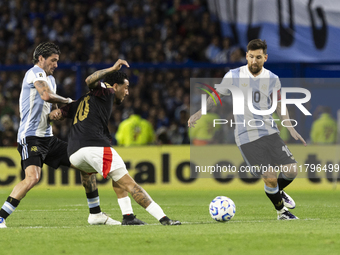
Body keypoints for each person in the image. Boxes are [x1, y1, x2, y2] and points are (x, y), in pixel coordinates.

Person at [0, 42, 142, 229]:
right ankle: (1, 217)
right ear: (41, 59)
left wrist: (59, 113)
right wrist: (69, 101)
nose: (56, 65)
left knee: (86, 165)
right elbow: (45, 96)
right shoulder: (35, 73)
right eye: (53, 60)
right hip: (31, 136)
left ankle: (96, 214)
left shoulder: (50, 79)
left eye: (57, 61)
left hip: (47, 138)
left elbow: (50, 105)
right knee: (33, 177)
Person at [49, 59, 181, 226]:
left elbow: (56, 116)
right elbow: (89, 80)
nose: (127, 92)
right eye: (125, 88)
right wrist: (111, 69)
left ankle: (126, 216)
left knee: (114, 176)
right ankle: (164, 219)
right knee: (130, 185)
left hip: (74, 154)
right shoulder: (106, 91)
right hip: (95, 146)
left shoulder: (81, 101)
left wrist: (54, 105)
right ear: (115, 86)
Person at [188, 39, 307, 220]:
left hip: (270, 132)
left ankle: (278, 191)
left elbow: (280, 105)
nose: (254, 61)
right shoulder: (233, 75)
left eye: (258, 57)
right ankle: (282, 212)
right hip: (246, 136)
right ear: (246, 56)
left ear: (265, 58)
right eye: (251, 57)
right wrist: (198, 113)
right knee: (270, 176)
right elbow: (216, 95)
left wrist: (290, 128)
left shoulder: (273, 79)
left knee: (291, 170)